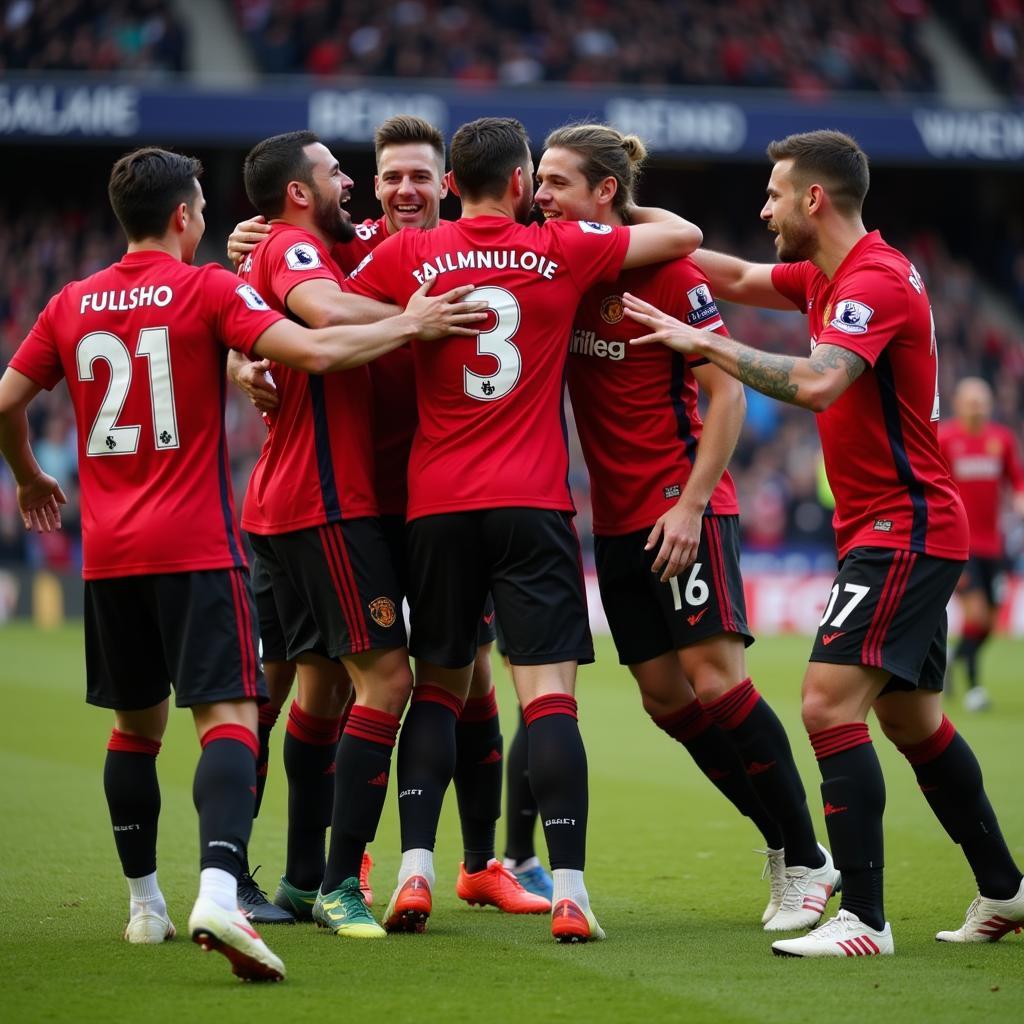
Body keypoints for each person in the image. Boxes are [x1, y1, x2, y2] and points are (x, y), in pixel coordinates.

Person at [0, 147, 479, 980]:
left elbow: (6, 401)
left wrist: (30, 473)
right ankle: (240, 891)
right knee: (238, 716)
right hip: (208, 539)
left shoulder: (71, 300)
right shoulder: (212, 288)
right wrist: (413, 323)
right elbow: (317, 346)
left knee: (143, 728)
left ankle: (149, 903)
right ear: (186, 215)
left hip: (110, 555)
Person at [622, 129, 1024, 956]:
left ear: (814, 199)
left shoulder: (871, 283)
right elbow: (725, 273)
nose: (763, 209)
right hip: (891, 528)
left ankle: (865, 919)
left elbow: (815, 382)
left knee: (826, 703)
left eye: (773, 195)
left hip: (903, 529)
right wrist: (615, 217)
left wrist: (708, 344)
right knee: (913, 723)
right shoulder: (827, 274)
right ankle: (1005, 889)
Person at [344, 116, 702, 942]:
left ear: (447, 184)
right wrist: (599, 213)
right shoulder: (565, 249)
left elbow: (326, 308)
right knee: (548, 700)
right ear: (517, 182)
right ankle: (569, 889)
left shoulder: (409, 255)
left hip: (434, 505)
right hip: (532, 506)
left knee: (436, 690)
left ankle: (414, 876)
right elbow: (684, 233)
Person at [228, 115, 553, 910]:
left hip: (442, 499)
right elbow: (262, 299)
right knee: (317, 685)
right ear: (371, 185)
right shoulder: (342, 241)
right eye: (389, 177)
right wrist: (243, 359)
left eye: (419, 176)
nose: (404, 190)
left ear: (446, 182)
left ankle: (480, 864)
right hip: (345, 501)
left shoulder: (497, 243)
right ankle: (328, 868)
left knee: (471, 675)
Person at [535, 123, 837, 930]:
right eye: (537, 179)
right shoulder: (553, 269)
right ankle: (779, 838)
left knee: (716, 679)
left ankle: (806, 858)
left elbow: (728, 394)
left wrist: (692, 503)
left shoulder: (667, 272)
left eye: (558, 181)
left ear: (605, 193)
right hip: (616, 519)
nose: (540, 194)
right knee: (665, 701)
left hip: (681, 503)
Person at [939, 377, 1024, 711]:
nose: (977, 407)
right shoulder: (945, 438)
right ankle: (974, 689)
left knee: (989, 622)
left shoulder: (1000, 440)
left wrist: (1019, 497)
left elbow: (1014, 478)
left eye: (982, 402)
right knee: (975, 614)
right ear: (958, 403)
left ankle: (951, 658)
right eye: (971, 401)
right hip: (960, 544)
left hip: (994, 546)